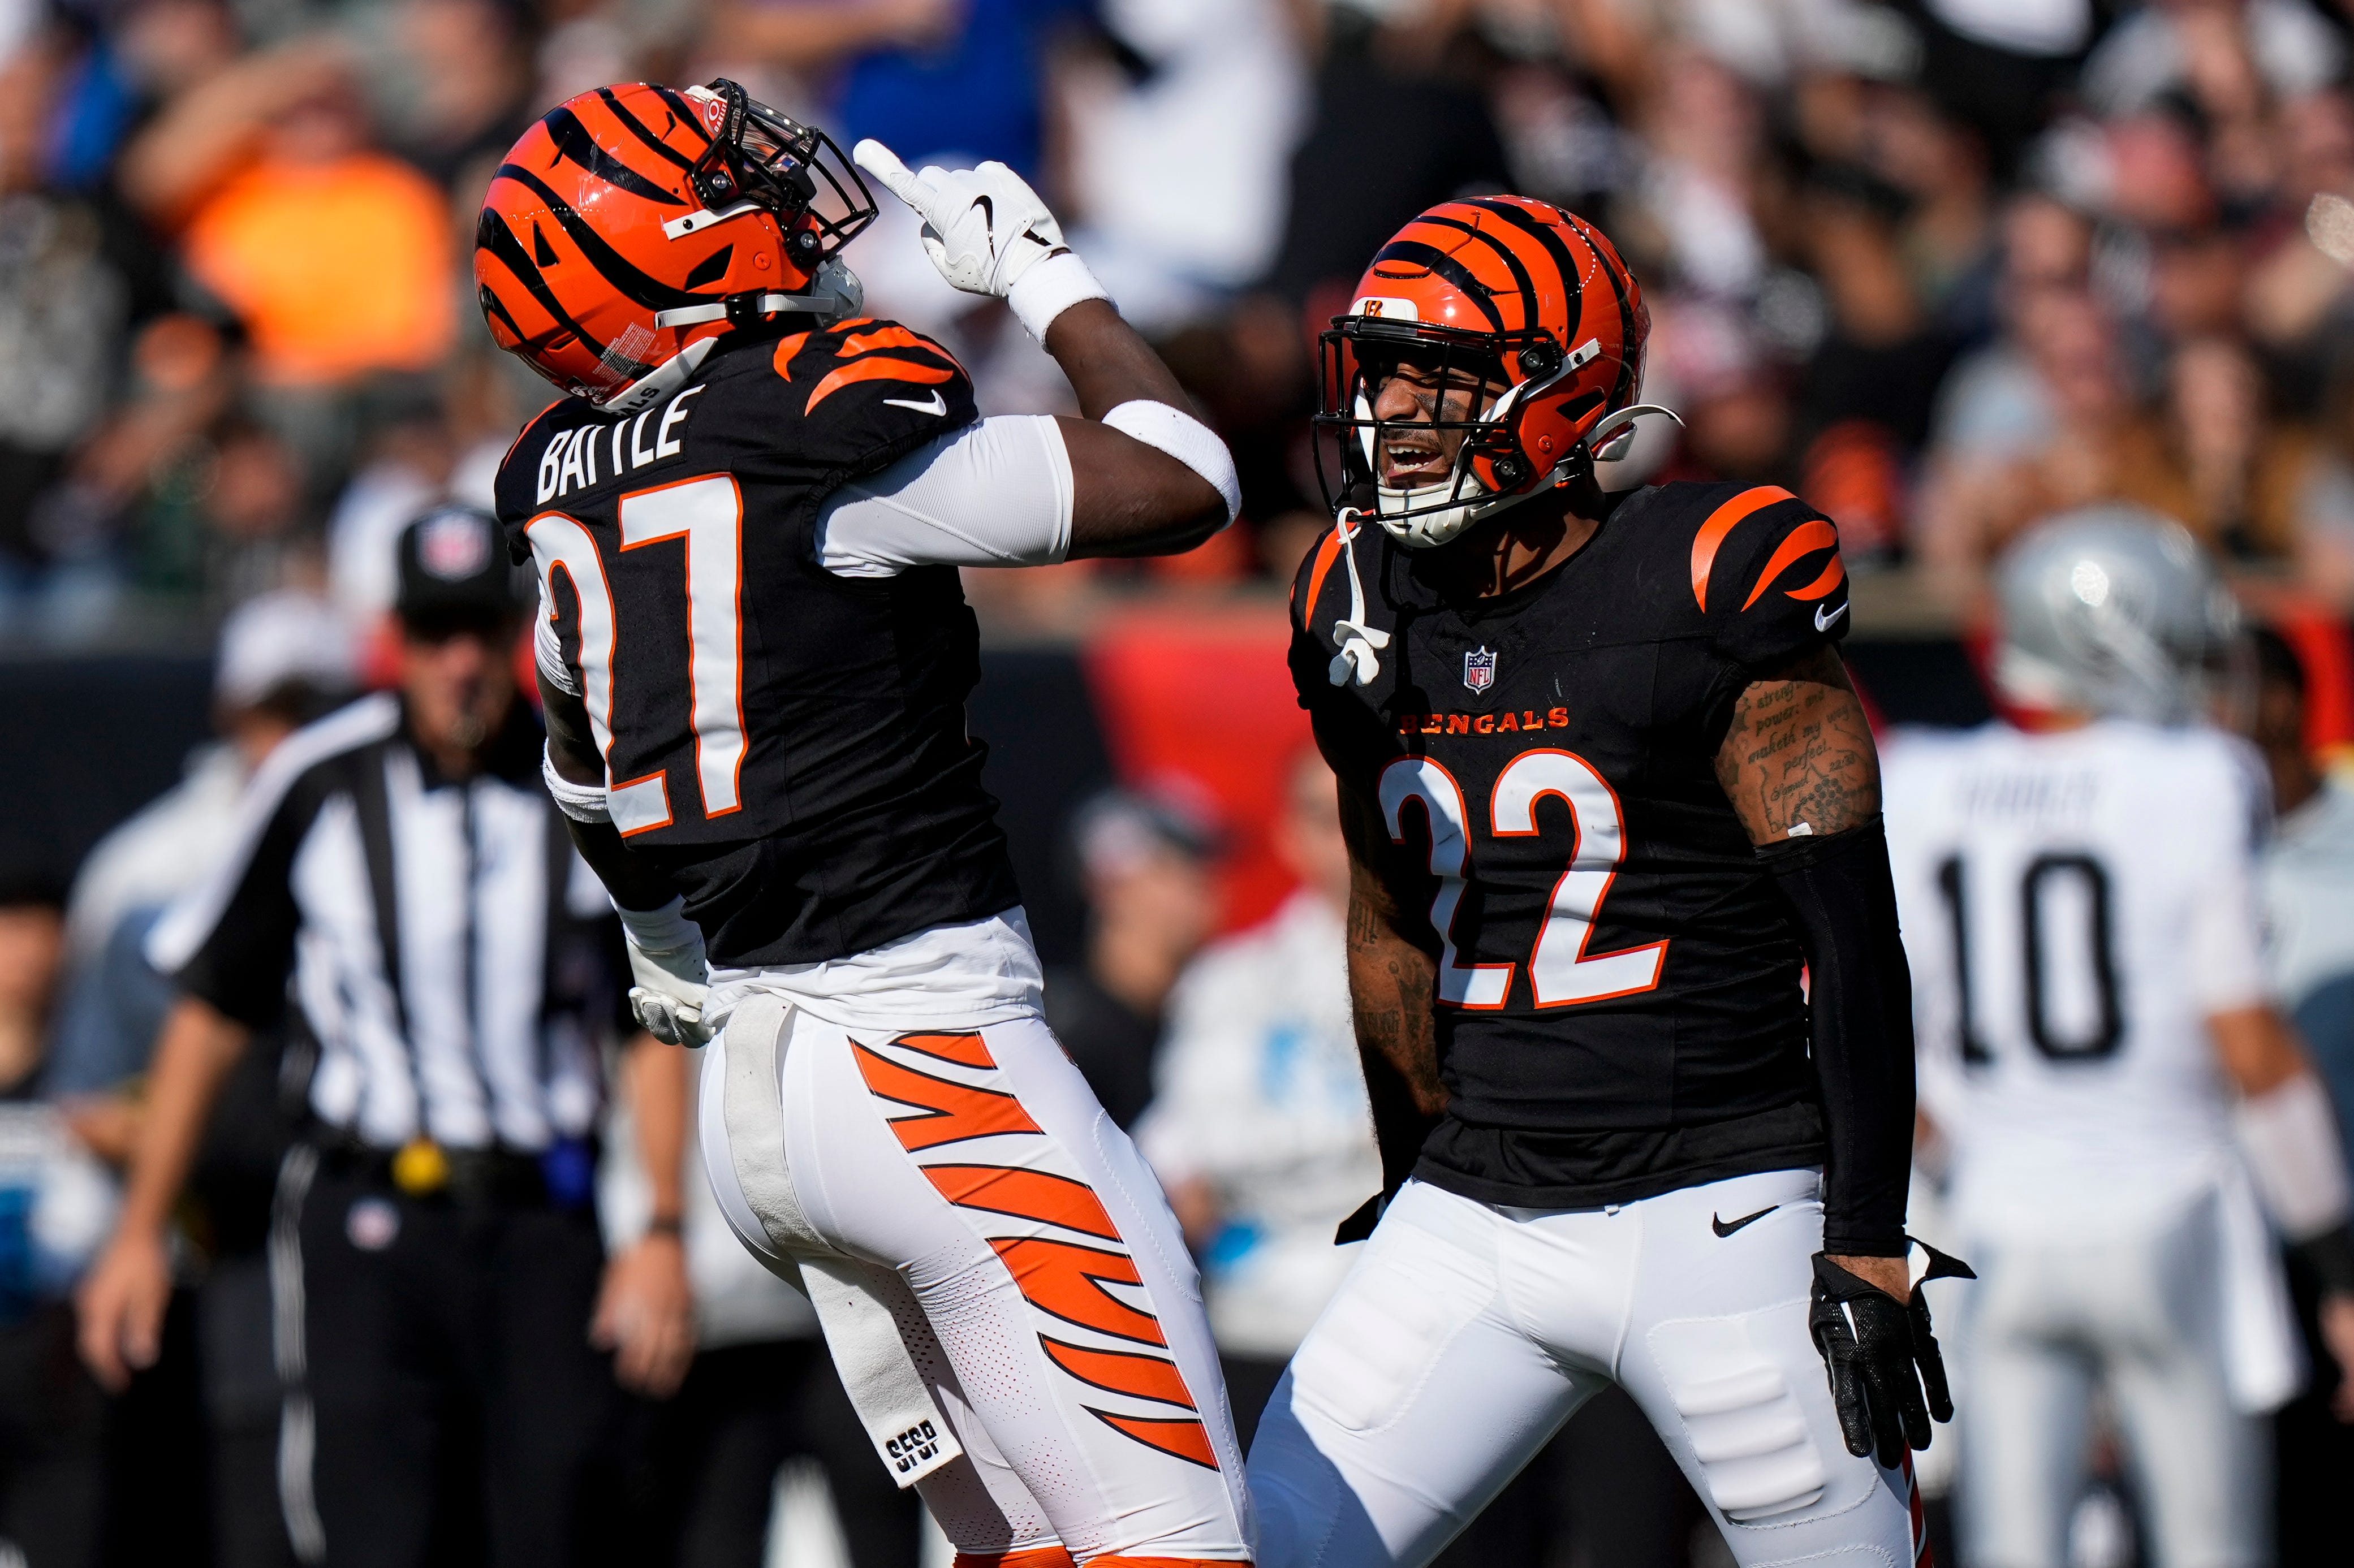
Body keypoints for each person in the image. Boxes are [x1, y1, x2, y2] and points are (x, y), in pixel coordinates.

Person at [475, 81, 1251, 1568]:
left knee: (1014, 1547)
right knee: (1182, 1537)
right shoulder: (810, 420)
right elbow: (1189, 477)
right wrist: (1047, 277)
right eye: (725, 180)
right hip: (931, 1060)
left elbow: (589, 783)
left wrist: (663, 955)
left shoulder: (557, 484)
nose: (777, 192)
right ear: (657, 246)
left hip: (758, 1113)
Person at [1267, 195, 1959, 1568]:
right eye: (1381, 371)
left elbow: (1851, 933)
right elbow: (1388, 915)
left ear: (1559, 389)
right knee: (1264, 1548)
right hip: (1474, 1205)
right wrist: (1410, 1173)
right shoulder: (1357, 593)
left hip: (1714, 1211)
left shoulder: (1706, 573)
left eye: (1437, 375)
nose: (1393, 407)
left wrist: (1868, 1234)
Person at [73, 507, 695, 1568]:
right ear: (394, 643)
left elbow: (653, 1016)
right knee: (377, 1534)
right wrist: (138, 1231)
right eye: (431, 634)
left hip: (544, 1219)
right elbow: (214, 1002)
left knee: (558, 1525)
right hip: (370, 1227)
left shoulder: (579, 785)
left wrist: (662, 1226)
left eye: (475, 632)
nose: (457, 663)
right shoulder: (320, 782)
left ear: (514, 635)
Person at [1882, 510, 2354, 1567]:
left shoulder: (1921, 782)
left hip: (1995, 1228)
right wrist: (2338, 1268)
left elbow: (1887, 1048)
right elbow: (2251, 1046)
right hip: (2166, 1213)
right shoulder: (2195, 778)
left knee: (2011, 1546)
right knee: (2209, 1541)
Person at [1134, 750, 1375, 1442]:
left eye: (1364, 810)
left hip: (1424, 1336)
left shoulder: (1463, 974)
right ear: (1289, 836)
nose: (1349, 834)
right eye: (1323, 816)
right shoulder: (1229, 981)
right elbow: (1195, 1156)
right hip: (1258, 1336)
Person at [1046, 785, 1222, 1131]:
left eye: (1206, 865)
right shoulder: (1065, 1036)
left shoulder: (1204, 1013)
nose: (1201, 885)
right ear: (1109, 888)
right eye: (1171, 869)